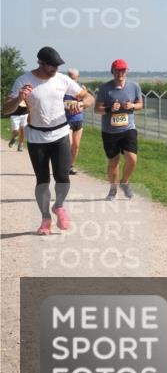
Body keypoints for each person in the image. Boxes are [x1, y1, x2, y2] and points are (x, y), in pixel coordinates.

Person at [3, 46, 93, 235]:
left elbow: (88, 97)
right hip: (37, 137)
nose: (55, 69)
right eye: (52, 66)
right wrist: (19, 98)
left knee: (63, 177)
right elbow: (5, 109)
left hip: (60, 133)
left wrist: (81, 104)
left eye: (57, 66)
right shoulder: (23, 81)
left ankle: (58, 206)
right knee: (42, 180)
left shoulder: (62, 79)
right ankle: (45, 219)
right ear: (40, 63)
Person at [94, 59, 143, 200]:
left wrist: (131, 106)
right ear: (112, 72)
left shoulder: (134, 86)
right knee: (114, 161)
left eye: (122, 70)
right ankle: (113, 189)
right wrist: (110, 109)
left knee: (132, 158)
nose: (120, 73)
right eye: (117, 71)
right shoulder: (105, 88)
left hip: (128, 129)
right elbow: (97, 109)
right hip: (110, 132)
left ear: (126, 71)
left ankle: (124, 182)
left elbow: (140, 104)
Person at [65, 67, 88, 174]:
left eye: (74, 78)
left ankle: (71, 166)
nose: (73, 80)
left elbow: (87, 102)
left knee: (76, 145)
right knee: (68, 144)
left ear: (78, 77)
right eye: (71, 77)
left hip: (78, 120)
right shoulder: (63, 89)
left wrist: (83, 100)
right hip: (66, 120)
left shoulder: (81, 89)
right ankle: (63, 164)